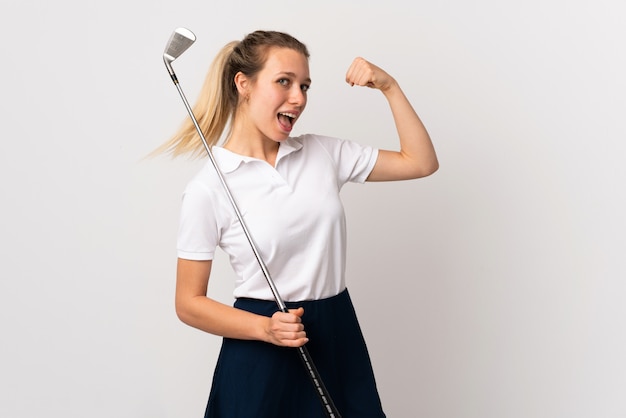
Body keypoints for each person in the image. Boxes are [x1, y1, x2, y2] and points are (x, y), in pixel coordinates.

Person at [158, 30, 438, 418]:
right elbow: (188, 303)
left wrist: (389, 87)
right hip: (261, 345)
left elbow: (420, 162)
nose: (299, 98)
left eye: (304, 85)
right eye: (284, 82)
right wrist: (264, 329)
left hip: (337, 332)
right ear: (244, 84)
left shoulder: (322, 153)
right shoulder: (208, 188)